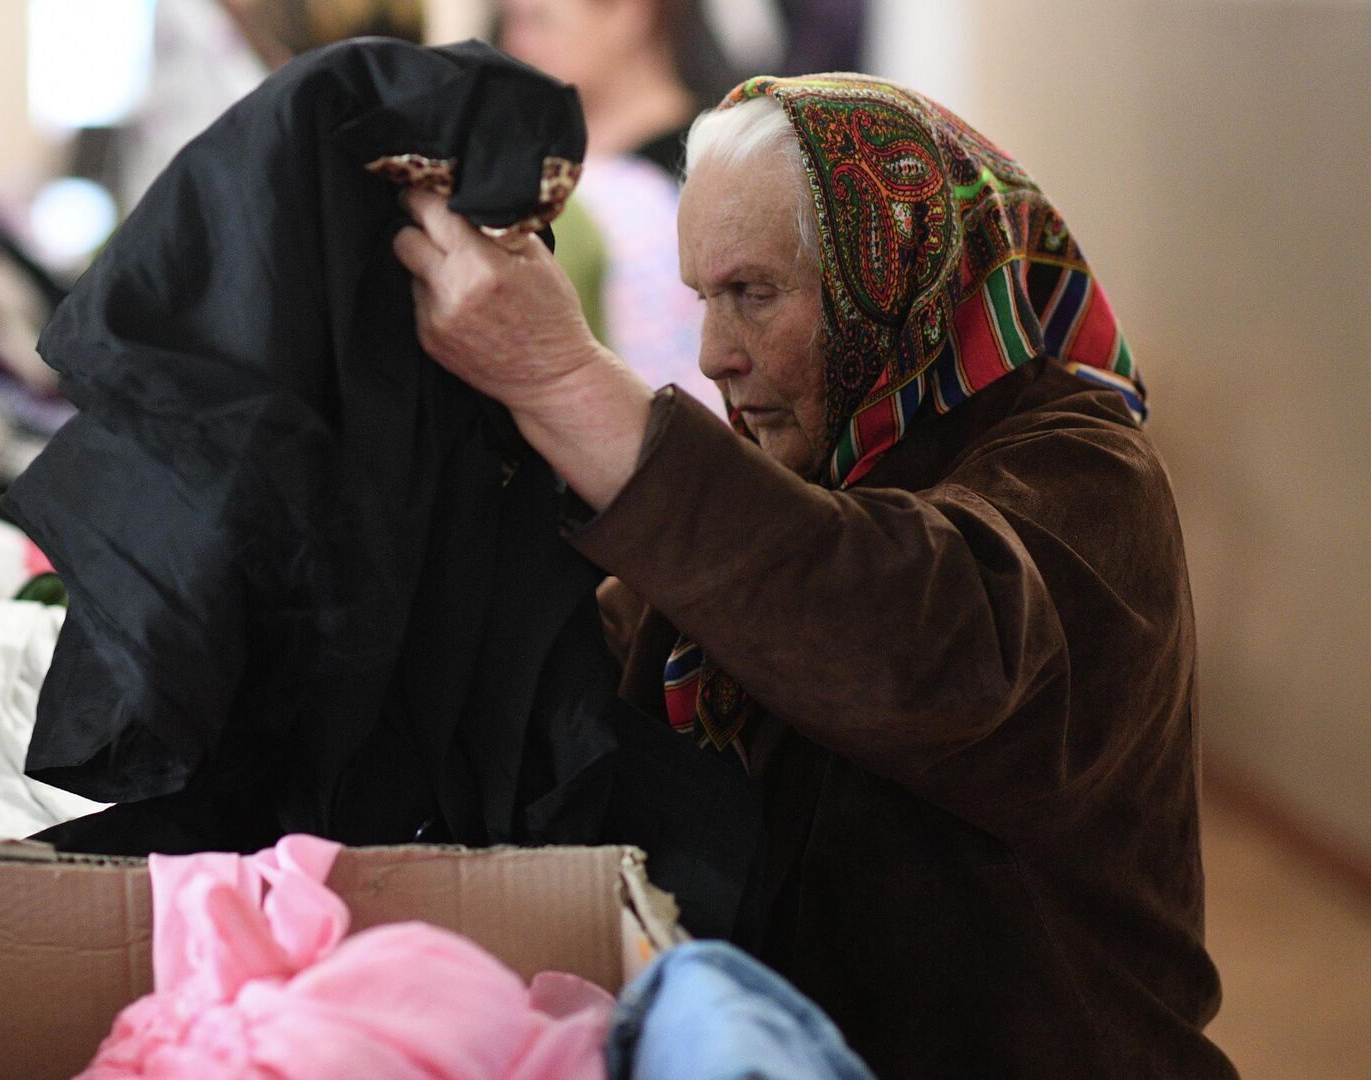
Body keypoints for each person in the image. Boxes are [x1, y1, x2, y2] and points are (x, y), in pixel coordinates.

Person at [393, 73, 1235, 1078]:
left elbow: (909, 641)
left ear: (903, 267)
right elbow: (614, 647)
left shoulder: (1087, 468)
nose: (714, 355)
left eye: (753, 293)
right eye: (705, 299)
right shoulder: (819, 470)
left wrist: (571, 383)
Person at [498, 0, 724, 414]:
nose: (516, 44)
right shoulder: (517, 167)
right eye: (510, 21)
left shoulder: (719, 167)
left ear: (631, 12)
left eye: (538, 20)